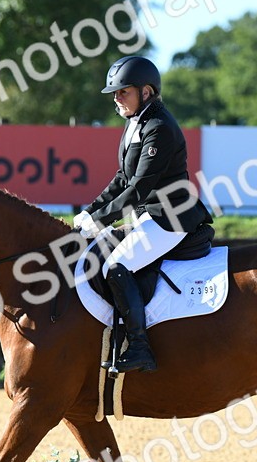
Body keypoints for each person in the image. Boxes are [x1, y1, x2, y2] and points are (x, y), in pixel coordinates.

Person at [73, 55, 213, 373]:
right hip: (147, 216)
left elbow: (138, 188)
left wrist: (100, 220)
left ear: (146, 92)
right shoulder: (135, 122)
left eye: (123, 91)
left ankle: (139, 347)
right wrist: (91, 210)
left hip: (170, 217)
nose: (116, 98)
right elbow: (122, 178)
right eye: (114, 93)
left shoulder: (160, 128)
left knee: (116, 267)